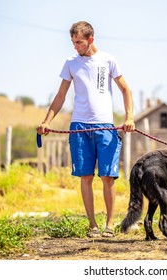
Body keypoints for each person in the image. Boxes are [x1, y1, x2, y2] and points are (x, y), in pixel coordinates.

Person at [37, 21, 135, 238]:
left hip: (105, 126)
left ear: (91, 39)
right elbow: (61, 95)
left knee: (108, 177)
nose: (75, 46)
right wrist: (47, 121)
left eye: (79, 42)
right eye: (73, 42)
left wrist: (129, 117)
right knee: (86, 176)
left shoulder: (108, 59)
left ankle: (110, 224)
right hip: (79, 127)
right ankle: (93, 225)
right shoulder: (71, 63)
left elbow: (125, 90)